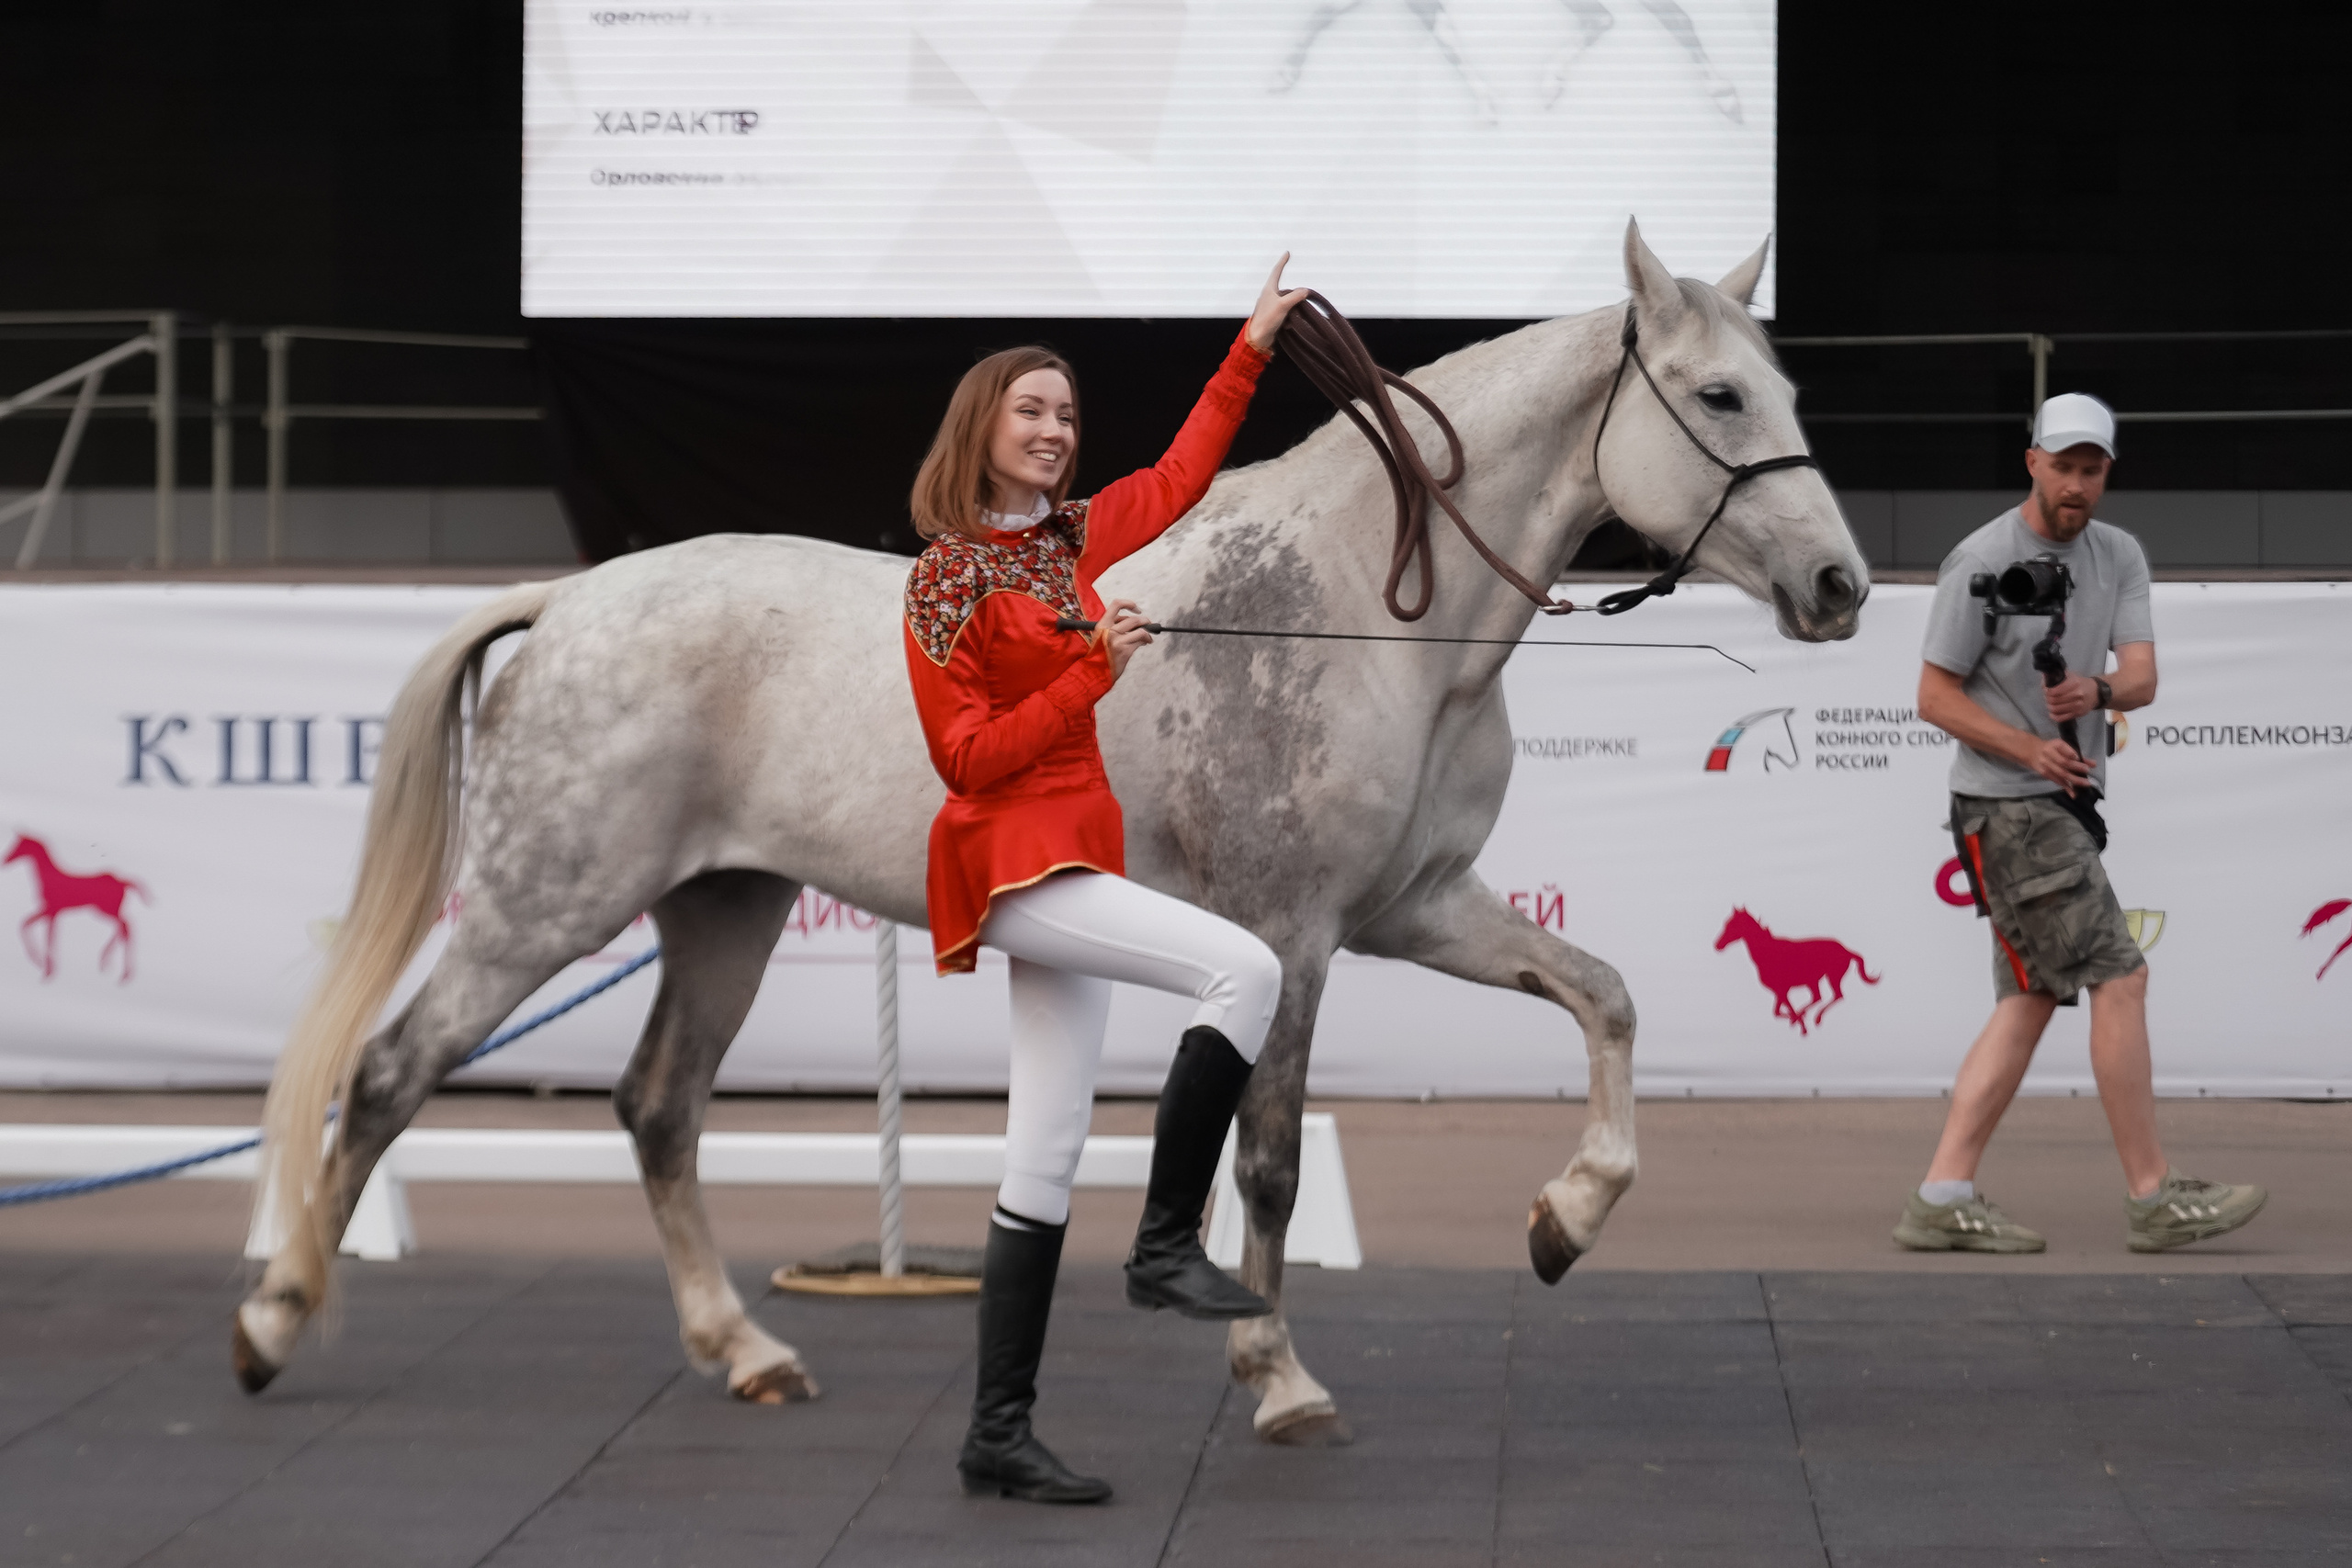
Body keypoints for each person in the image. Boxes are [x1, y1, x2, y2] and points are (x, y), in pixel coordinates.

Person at [901, 257, 1311, 1505]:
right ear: (983, 425)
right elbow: (961, 757)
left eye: (1067, 414)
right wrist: (1091, 673)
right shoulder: (943, 578)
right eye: (1031, 409)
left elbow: (1182, 476)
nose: (1054, 428)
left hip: (1073, 852)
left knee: (1045, 1148)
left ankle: (996, 1432)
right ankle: (1166, 1240)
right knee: (1244, 966)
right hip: (1013, 864)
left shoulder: (1073, 540)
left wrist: (1251, 345)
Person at [1895, 392, 2266, 1257]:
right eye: (2062, 466)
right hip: (2010, 807)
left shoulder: (2119, 554)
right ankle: (2153, 1195)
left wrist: (2096, 690)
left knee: (2028, 1001)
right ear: (2031, 461)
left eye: (2090, 469)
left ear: (2107, 473)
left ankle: (1941, 1192)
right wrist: (2029, 747)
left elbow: (2140, 676)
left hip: (2058, 807)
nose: (2076, 484)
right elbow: (1932, 696)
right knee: (2121, 978)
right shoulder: (1981, 559)